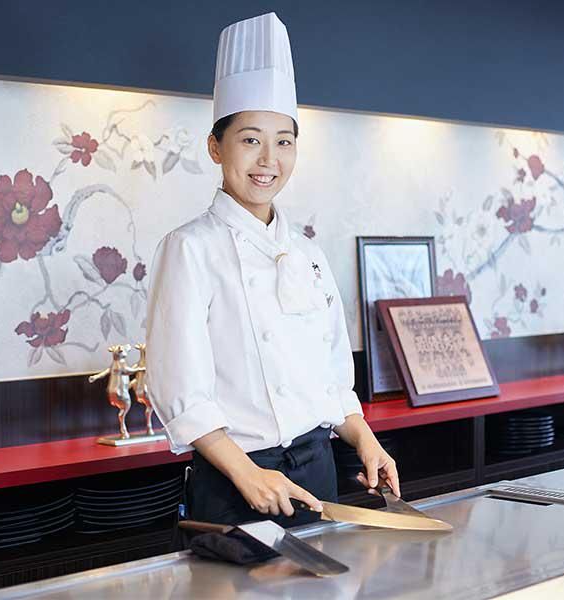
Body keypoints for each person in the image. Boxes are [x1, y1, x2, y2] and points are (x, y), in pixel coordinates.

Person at [146, 12, 399, 527]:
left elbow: (332, 379)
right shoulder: (188, 249)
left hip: (317, 471)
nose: (268, 159)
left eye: (284, 141)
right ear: (215, 146)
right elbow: (180, 391)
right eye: (250, 140)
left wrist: (366, 439)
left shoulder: (309, 253)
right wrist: (248, 474)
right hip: (237, 479)